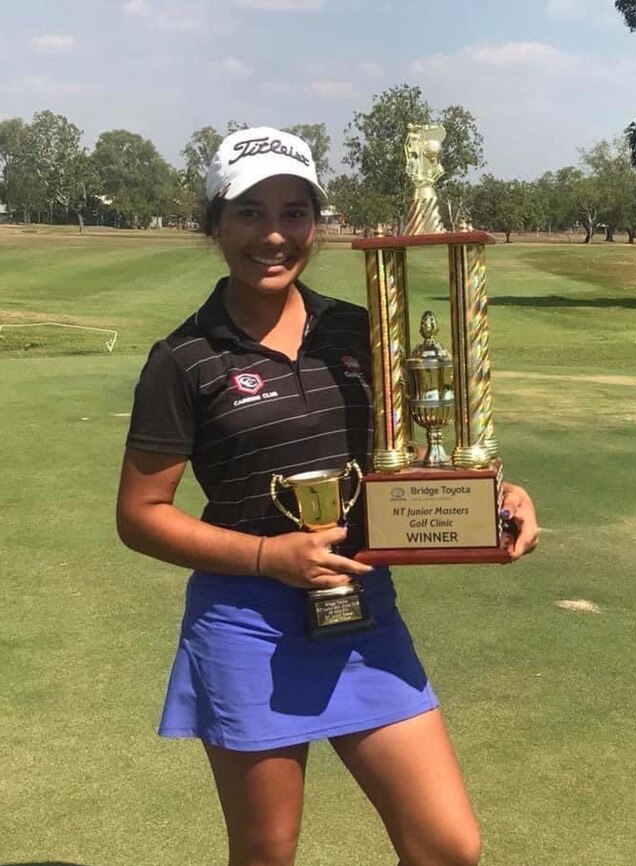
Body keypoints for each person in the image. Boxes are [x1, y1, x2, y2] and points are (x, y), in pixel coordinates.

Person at [116, 126, 539, 866]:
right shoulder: (183, 360)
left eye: (293, 212)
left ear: (317, 221)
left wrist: (496, 497)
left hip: (364, 615)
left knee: (448, 846)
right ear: (214, 223)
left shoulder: (358, 331)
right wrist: (265, 555)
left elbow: (412, 459)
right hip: (247, 624)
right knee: (267, 852)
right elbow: (140, 517)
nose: (273, 235)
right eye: (249, 213)